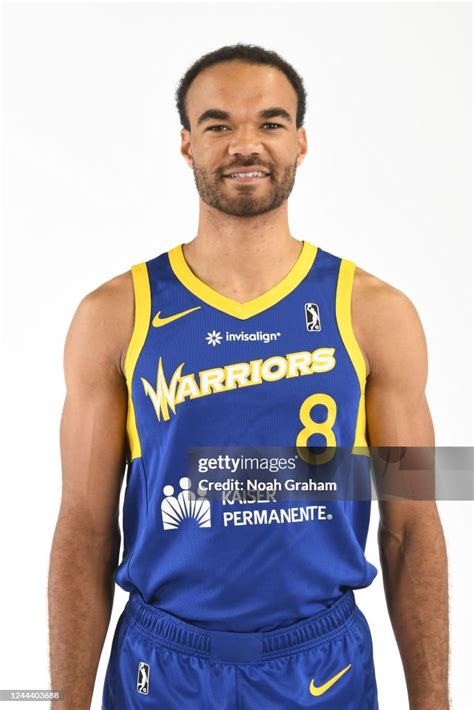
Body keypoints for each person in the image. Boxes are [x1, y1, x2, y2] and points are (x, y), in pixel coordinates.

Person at [48, 43, 449, 709]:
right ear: (186, 145)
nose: (245, 145)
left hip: (322, 666)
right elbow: (84, 526)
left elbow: (414, 522)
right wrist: (65, 702)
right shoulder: (114, 315)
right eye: (218, 125)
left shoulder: (376, 313)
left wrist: (433, 702)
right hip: (163, 667)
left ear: (300, 141)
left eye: (269, 123)